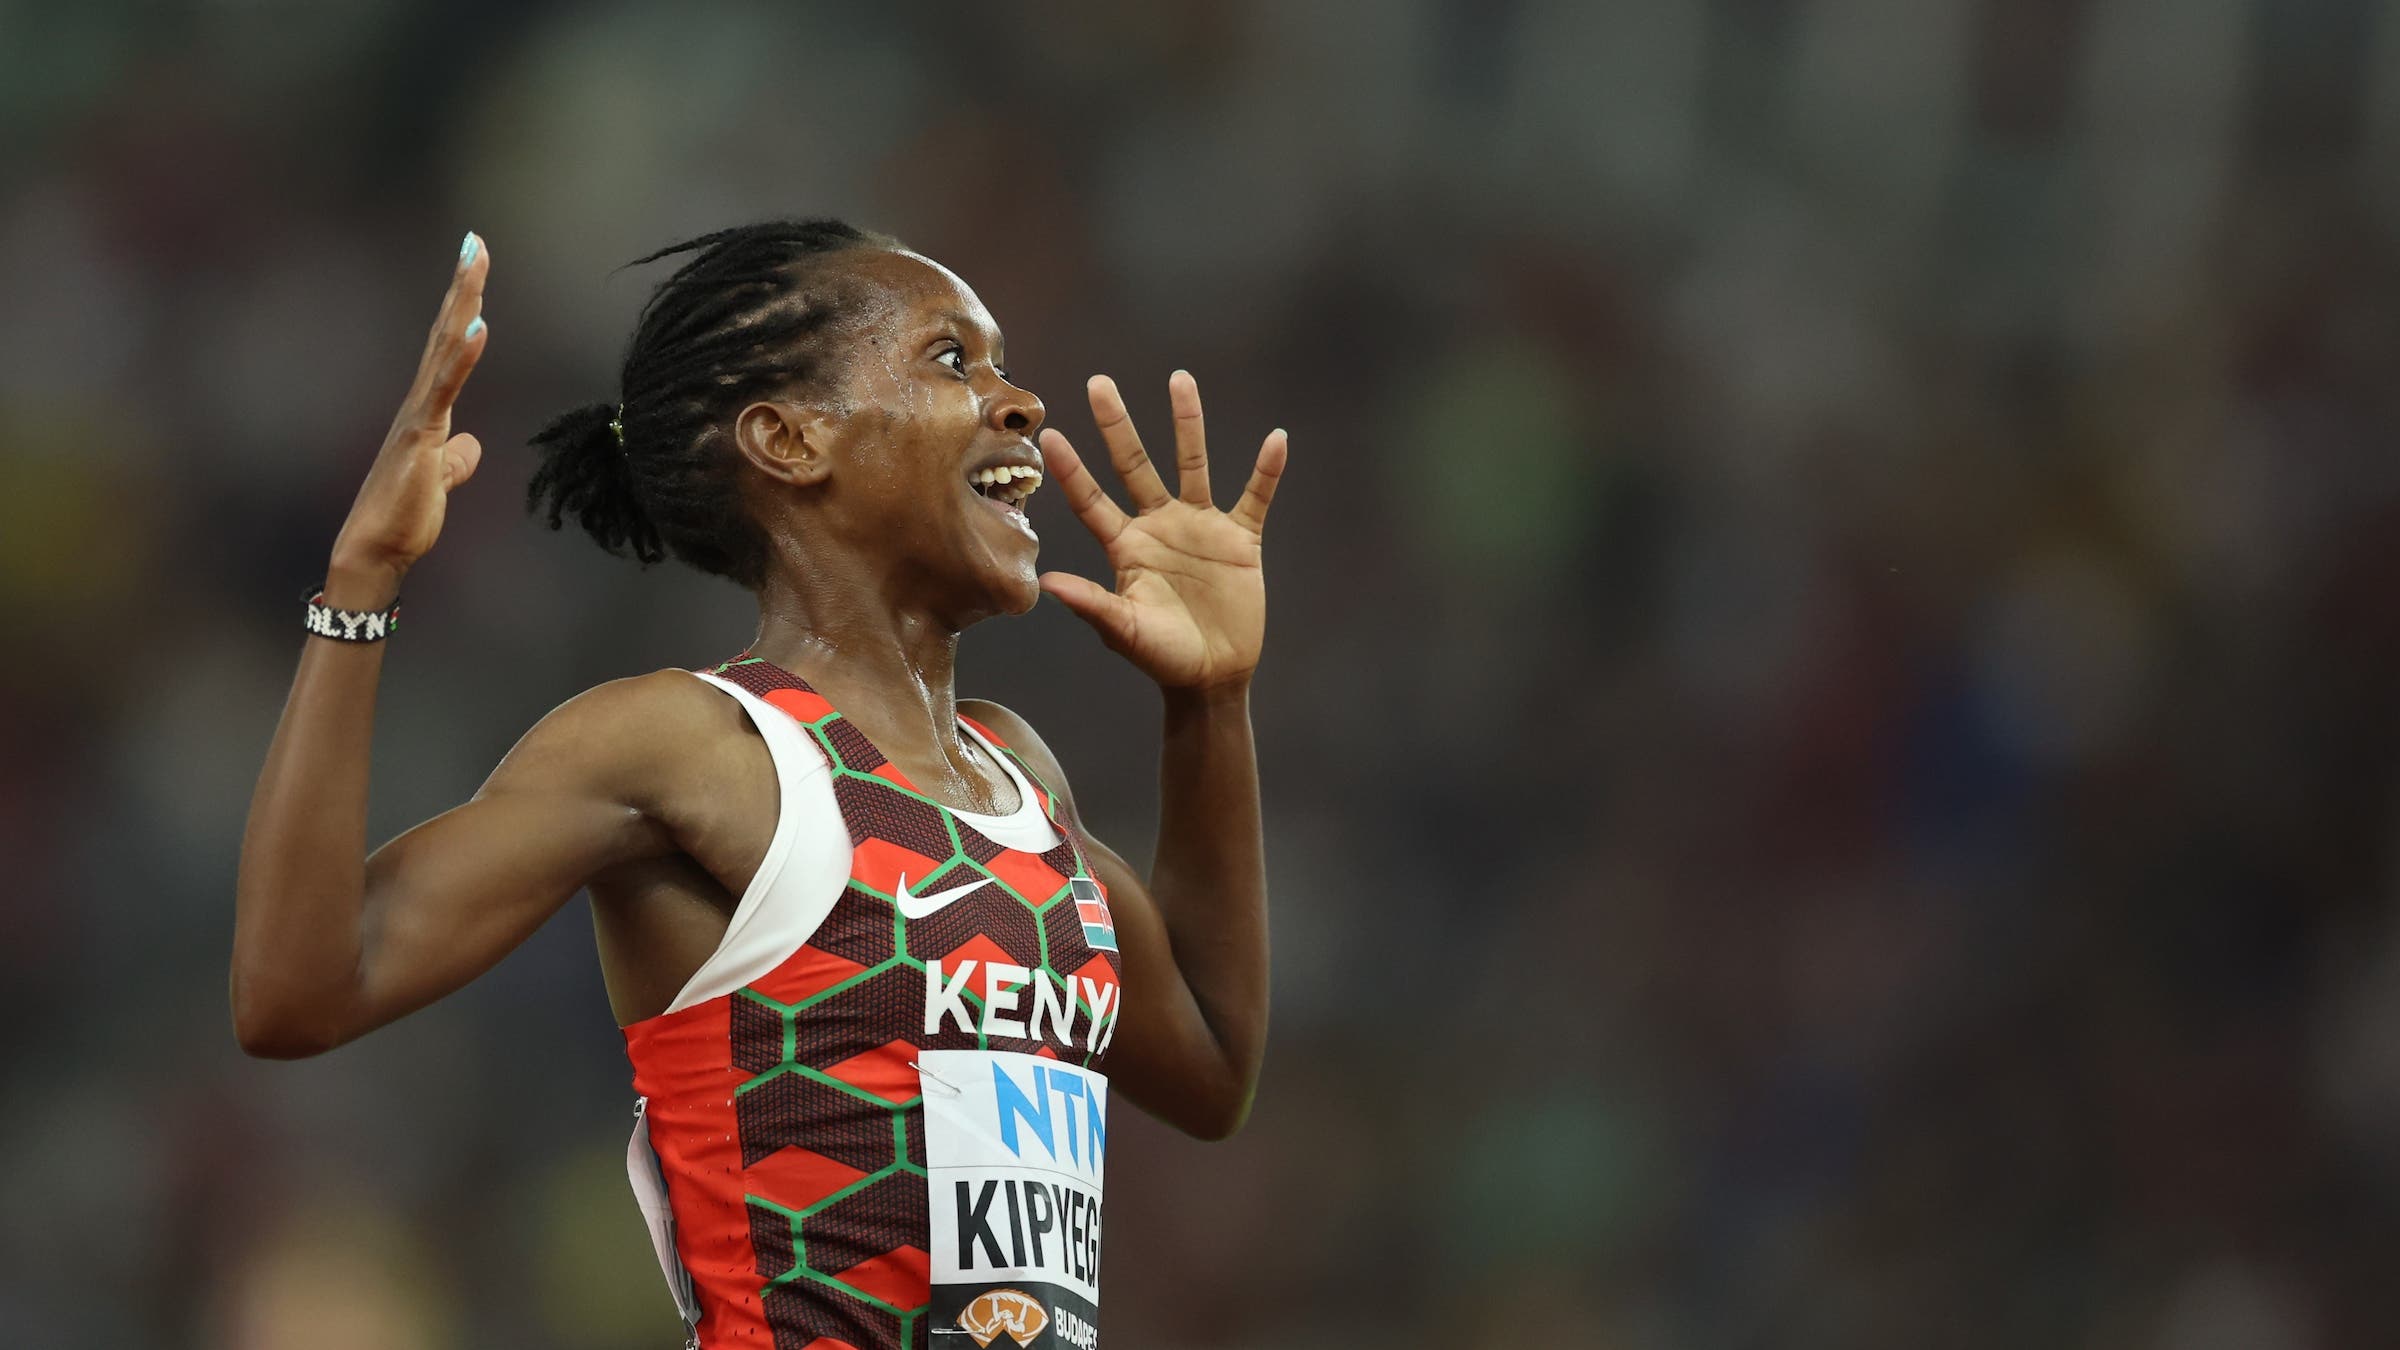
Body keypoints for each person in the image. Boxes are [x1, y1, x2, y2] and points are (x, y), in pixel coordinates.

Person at [231, 219, 1283, 1349]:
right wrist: (362, 579)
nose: (1020, 403)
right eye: (952, 360)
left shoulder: (1017, 775)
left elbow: (1211, 1070)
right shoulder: (695, 747)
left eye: (1003, 364)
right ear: (789, 439)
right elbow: (298, 991)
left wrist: (1211, 702)